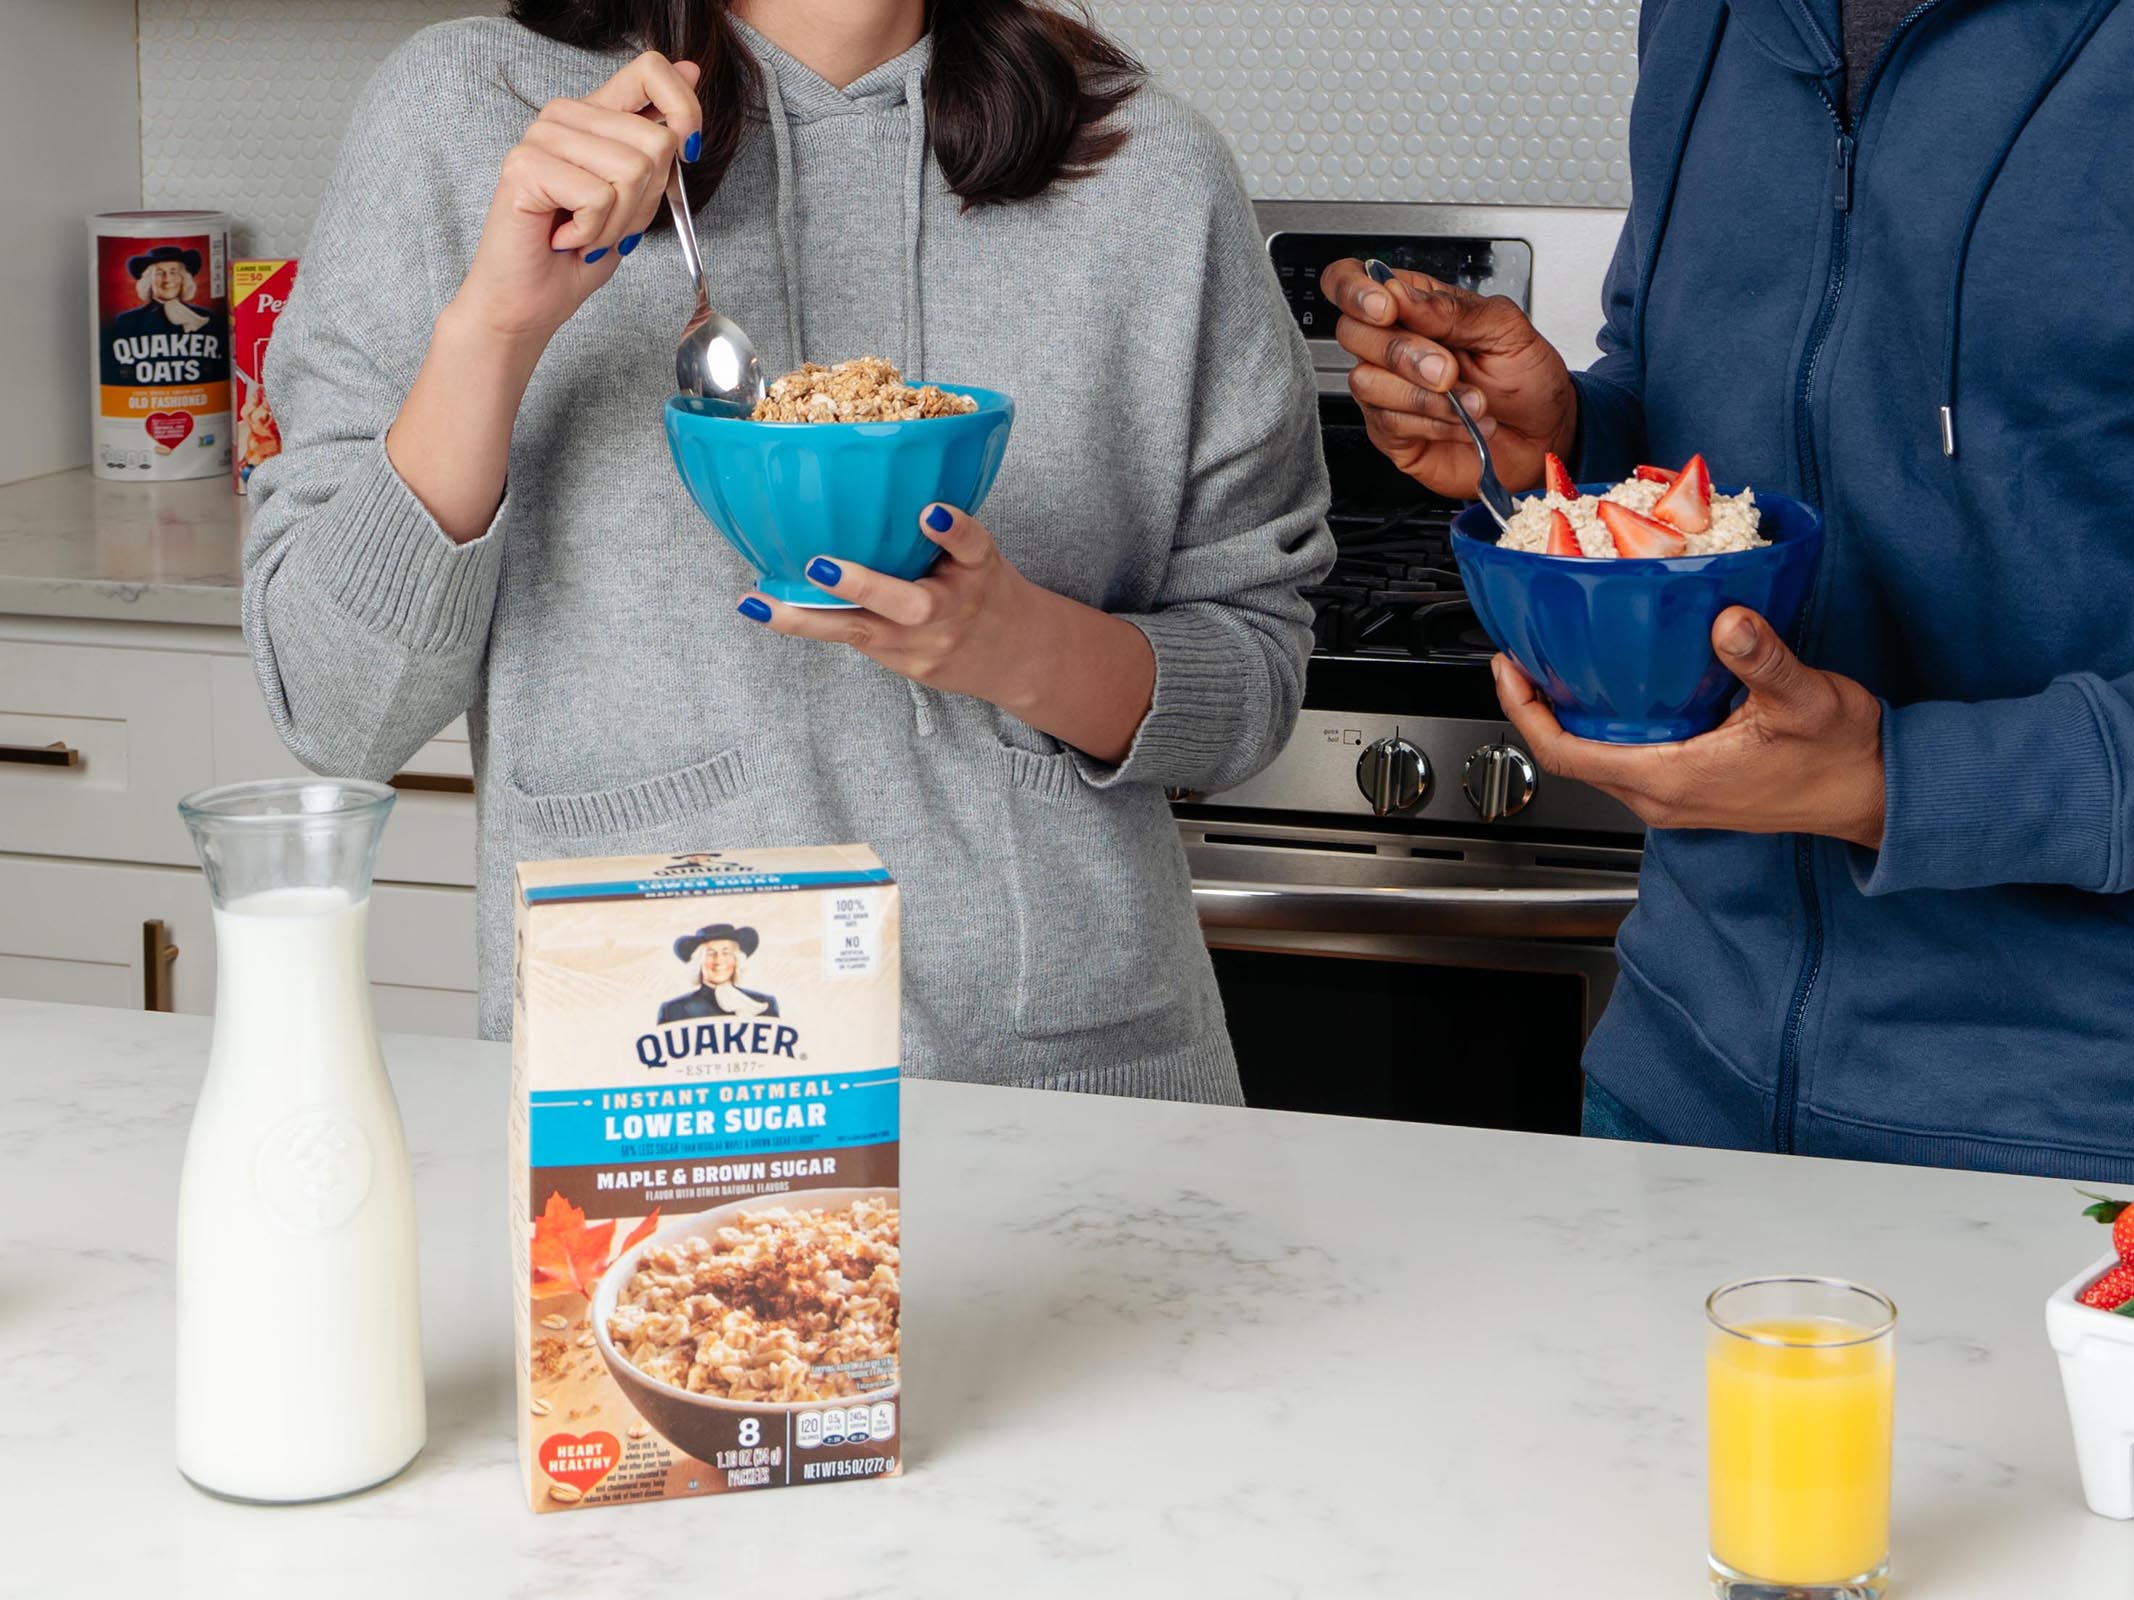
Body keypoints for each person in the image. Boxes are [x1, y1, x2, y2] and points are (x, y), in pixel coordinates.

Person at [1329, 0, 2134, 1179]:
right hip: (1678, 1101)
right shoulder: (1711, 19)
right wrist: (1563, 445)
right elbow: (1732, 420)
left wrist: (1903, 781)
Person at [244, 0, 1332, 1100]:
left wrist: (1012, 645)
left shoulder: (1150, 168)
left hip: (1072, 1088)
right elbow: (340, 707)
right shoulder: (472, 114)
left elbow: (1254, 677)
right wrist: (494, 329)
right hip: (653, 1096)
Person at [100, 246, 225, 384]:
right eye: (159, 273)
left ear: (183, 278)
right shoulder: (128, 321)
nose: (167, 279)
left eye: (174, 272)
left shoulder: (204, 318)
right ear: (148, 280)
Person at [656, 924, 778, 1022]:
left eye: (726, 953)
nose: (719, 961)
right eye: (710, 954)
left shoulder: (763, 1004)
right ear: (698, 962)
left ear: (737, 960)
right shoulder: (673, 1010)